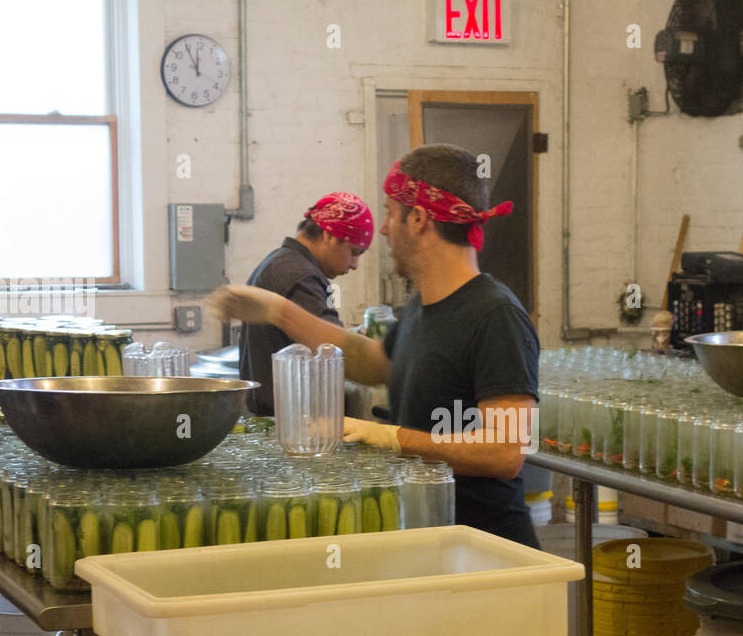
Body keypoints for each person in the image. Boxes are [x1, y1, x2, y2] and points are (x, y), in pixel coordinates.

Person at [207, 143, 541, 547]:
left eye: (389, 212)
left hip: (487, 546)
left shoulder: (495, 314)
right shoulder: (421, 308)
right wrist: (281, 312)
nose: (383, 229)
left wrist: (389, 437)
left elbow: (505, 451)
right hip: (430, 535)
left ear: (418, 218)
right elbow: (373, 362)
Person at [238, 192, 373, 415]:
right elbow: (333, 353)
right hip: (292, 424)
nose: (354, 265)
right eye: (354, 252)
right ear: (329, 236)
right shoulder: (301, 276)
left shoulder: (278, 261)